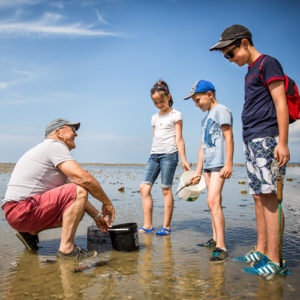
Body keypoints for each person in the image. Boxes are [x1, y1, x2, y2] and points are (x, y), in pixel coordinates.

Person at [210, 24, 290, 275]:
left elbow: (281, 104)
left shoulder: (269, 64)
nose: (230, 60)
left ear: (244, 43)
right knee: (257, 196)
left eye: (230, 54)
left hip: (268, 138)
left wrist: (283, 142)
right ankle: (262, 250)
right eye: (226, 57)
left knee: (270, 198)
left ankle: (275, 261)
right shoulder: (249, 72)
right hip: (252, 140)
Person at [2, 118, 115, 260]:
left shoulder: (47, 152)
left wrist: (97, 217)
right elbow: (84, 180)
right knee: (79, 189)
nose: (76, 134)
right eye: (73, 130)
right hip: (22, 210)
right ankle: (67, 250)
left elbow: (73, 195)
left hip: (16, 213)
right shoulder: (54, 145)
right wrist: (107, 203)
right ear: (58, 132)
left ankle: (30, 233)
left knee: (76, 206)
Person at [184, 80, 233, 262]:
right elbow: (202, 147)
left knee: (214, 200)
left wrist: (228, 164)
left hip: (219, 163)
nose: (197, 105)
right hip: (208, 165)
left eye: (198, 100)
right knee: (211, 201)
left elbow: (229, 137)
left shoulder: (221, 111)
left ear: (210, 94)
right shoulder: (205, 118)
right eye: (194, 102)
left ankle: (222, 247)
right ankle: (214, 239)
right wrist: (198, 171)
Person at [139, 80, 191, 236]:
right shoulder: (154, 118)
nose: (159, 104)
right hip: (154, 155)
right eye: (155, 103)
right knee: (144, 188)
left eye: (161, 101)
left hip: (169, 155)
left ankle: (166, 227)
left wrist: (184, 160)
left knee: (165, 190)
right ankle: (148, 225)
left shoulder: (176, 115)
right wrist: (153, 152)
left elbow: (179, 139)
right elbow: (156, 137)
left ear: (169, 97)